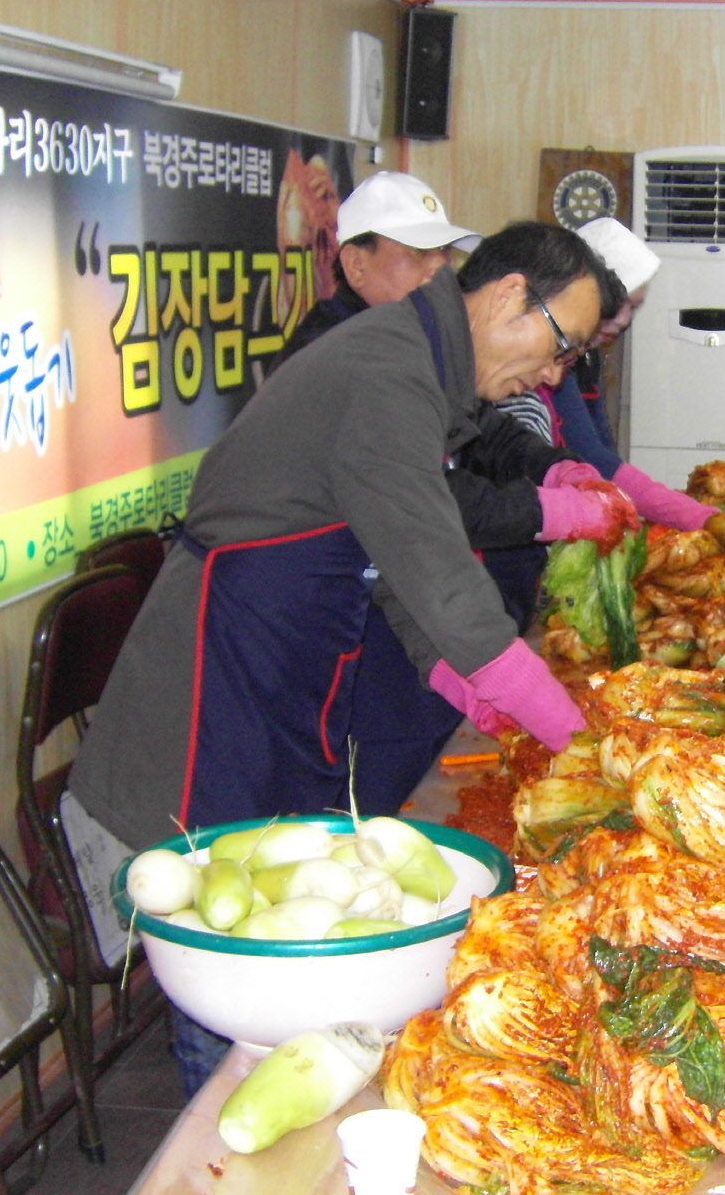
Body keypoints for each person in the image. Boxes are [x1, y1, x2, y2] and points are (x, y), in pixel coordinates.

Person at [64, 223, 626, 1091]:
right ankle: (212, 1177)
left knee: (291, 924)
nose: (553, 377)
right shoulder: (389, 377)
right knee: (235, 963)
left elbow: (396, 562)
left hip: (286, 679)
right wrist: (585, 744)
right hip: (217, 692)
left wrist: (453, 680)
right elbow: (448, 593)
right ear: (512, 296)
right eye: (560, 348)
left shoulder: (419, 371)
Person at [493, 216, 718, 529]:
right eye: (617, 304)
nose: (622, 319)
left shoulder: (588, 359)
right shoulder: (540, 363)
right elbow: (590, 456)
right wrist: (696, 516)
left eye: (634, 308)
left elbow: (602, 449)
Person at [274, 170, 480, 363]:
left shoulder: (406, 336)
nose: (440, 268)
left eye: (444, 250)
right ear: (355, 265)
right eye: (418, 250)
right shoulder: (334, 354)